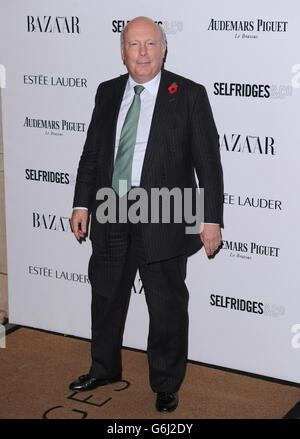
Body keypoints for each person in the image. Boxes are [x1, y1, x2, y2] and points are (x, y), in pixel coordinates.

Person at [69, 16, 223, 413]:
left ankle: (167, 383)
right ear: (123, 52)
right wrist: (81, 203)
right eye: (134, 45)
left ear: (163, 49)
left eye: (150, 44)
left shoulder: (188, 94)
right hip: (111, 208)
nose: (142, 53)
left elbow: (208, 163)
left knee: (167, 307)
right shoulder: (106, 93)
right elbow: (92, 155)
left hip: (167, 214)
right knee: (105, 297)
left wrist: (211, 219)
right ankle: (103, 368)